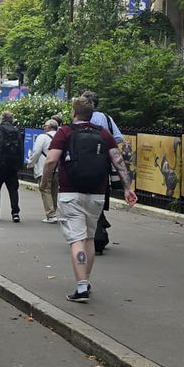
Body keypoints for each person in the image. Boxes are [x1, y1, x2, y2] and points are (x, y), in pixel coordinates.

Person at [41, 95, 136, 303]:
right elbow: (118, 161)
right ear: (91, 115)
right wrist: (128, 188)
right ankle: (85, 280)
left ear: (73, 113)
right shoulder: (103, 133)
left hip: (70, 193)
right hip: (97, 193)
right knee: (90, 238)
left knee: (77, 240)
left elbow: (50, 161)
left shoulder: (65, 132)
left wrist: (44, 182)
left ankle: (81, 286)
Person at [83, 91, 127, 256]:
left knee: (86, 199)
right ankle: (100, 228)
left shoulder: (82, 118)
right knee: (100, 194)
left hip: (85, 163)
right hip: (103, 163)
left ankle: (98, 235)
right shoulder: (107, 118)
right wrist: (106, 144)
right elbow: (119, 138)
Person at [0, 110, 25, 222]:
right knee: (13, 189)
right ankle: (15, 212)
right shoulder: (17, 131)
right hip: (12, 166)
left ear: (1, 119)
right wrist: (19, 165)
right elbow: (21, 149)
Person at [28, 116, 61, 221]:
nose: (43, 127)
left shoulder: (42, 137)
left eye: (45, 126)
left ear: (49, 127)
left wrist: (30, 163)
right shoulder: (60, 136)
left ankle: (51, 214)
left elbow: (36, 152)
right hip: (58, 168)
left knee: (45, 189)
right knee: (54, 191)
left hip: (44, 167)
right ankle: (54, 212)